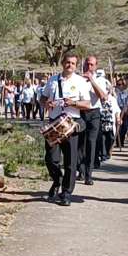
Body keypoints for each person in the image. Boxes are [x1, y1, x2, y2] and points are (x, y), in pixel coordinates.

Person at [39, 52, 91, 206]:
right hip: (55, 123)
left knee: (70, 161)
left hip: (71, 124)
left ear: (76, 66)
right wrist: (46, 102)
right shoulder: (53, 80)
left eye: (73, 63)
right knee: (51, 159)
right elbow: (42, 97)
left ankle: (67, 193)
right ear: (63, 63)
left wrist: (73, 103)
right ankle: (57, 180)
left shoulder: (80, 81)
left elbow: (87, 104)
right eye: (68, 62)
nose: (70, 65)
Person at [79, 55, 109, 185]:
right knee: (80, 143)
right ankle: (80, 170)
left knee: (91, 143)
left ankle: (88, 174)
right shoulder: (77, 79)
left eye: (91, 65)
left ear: (96, 66)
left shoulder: (100, 80)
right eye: (87, 64)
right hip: (80, 112)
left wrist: (92, 80)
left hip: (94, 112)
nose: (88, 67)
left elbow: (103, 96)